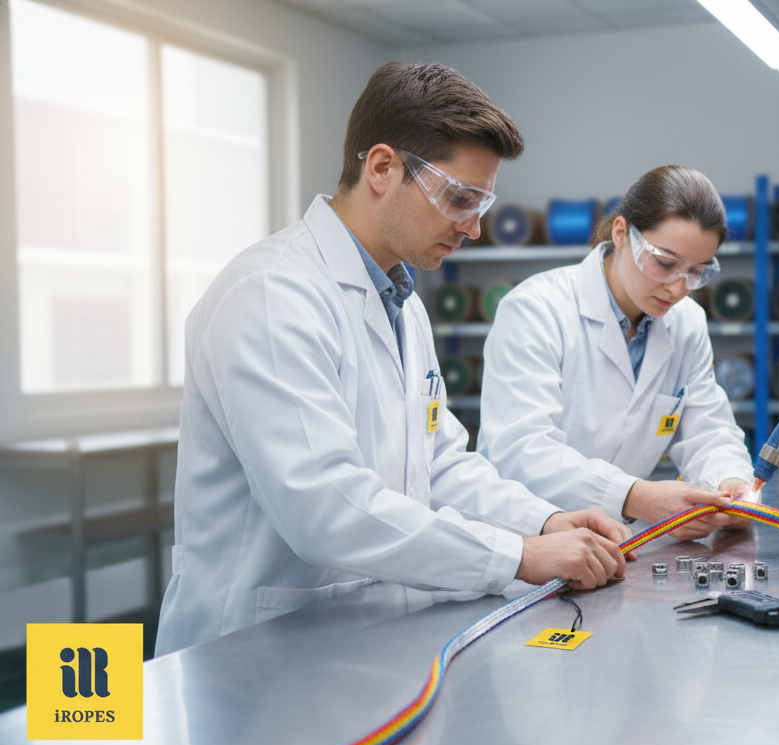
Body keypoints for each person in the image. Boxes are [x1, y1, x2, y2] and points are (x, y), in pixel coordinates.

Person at [156, 63, 630, 656]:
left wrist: (543, 521)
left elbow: (437, 463)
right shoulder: (273, 294)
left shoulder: (400, 300)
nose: (475, 228)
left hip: (362, 636)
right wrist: (518, 556)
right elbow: (324, 506)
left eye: (482, 202)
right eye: (460, 198)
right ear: (382, 168)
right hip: (252, 646)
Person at [478, 166, 754, 540]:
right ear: (622, 233)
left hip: (620, 544)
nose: (677, 288)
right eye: (665, 263)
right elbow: (522, 451)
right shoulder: (536, 309)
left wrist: (731, 484)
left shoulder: (687, 322)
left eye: (696, 272)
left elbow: (707, 428)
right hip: (528, 539)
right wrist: (634, 496)